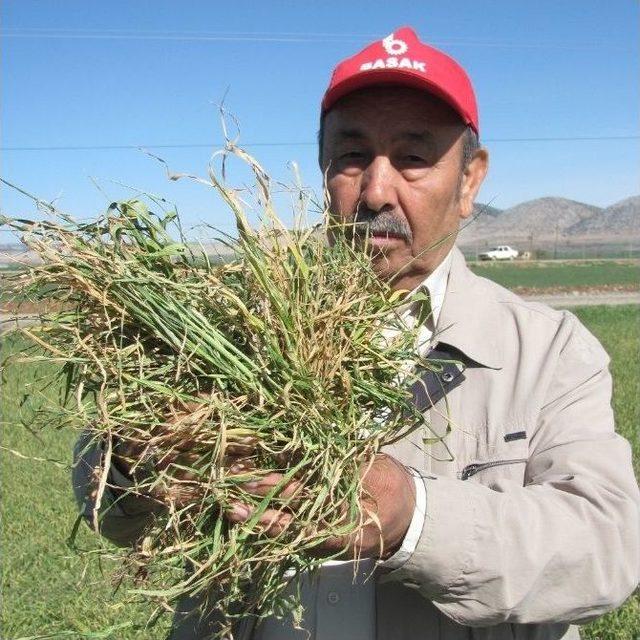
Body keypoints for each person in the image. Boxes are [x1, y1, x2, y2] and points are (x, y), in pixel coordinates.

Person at [73, 26, 640, 640]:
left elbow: (608, 550)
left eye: (413, 157)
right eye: (352, 154)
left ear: (471, 180)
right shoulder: (228, 319)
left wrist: (413, 518)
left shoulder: (548, 350)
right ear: (322, 169)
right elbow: (107, 499)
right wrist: (139, 459)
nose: (375, 190)